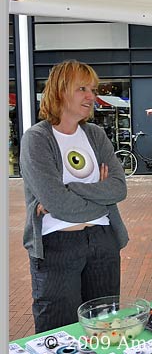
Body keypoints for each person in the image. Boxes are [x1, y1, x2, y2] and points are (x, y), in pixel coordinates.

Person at [19, 60, 129, 333]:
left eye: (92, 89)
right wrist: (97, 198)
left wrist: (71, 189)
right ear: (59, 91)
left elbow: (118, 188)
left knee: (104, 327)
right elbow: (57, 203)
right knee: (58, 329)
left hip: (104, 243)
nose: (91, 96)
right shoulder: (37, 138)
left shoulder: (96, 134)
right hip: (56, 246)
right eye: (82, 89)